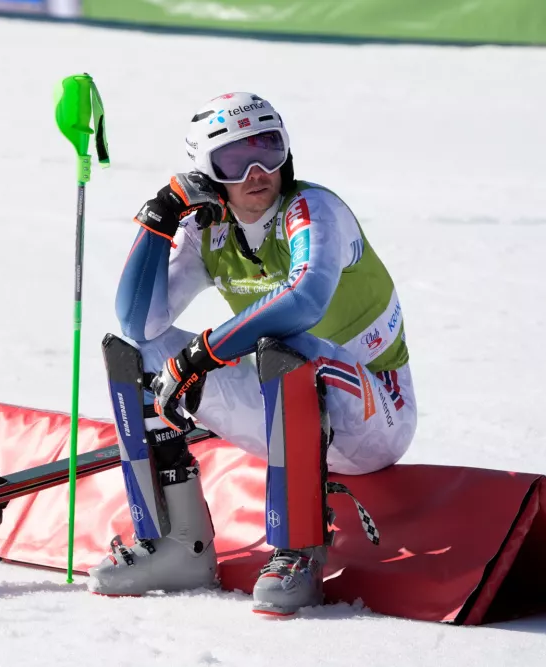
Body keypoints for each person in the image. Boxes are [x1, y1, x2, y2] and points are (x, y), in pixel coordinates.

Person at [87, 92, 416, 616]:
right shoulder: (208, 229)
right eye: (235, 160)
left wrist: (204, 354)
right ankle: (177, 546)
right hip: (285, 411)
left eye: (270, 149)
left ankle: (299, 551)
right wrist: (159, 219)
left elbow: (305, 299)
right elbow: (138, 322)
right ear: (205, 172)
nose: (258, 170)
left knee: (287, 346)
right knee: (138, 351)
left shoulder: (315, 209)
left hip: (376, 418)